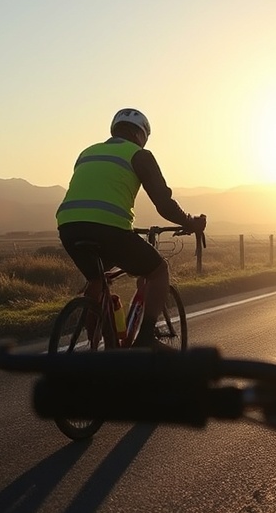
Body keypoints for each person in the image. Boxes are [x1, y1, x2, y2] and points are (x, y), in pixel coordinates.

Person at [56, 108, 207, 348]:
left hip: (69, 226)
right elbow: (164, 204)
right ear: (141, 134)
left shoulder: (88, 152)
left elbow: (98, 190)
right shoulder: (139, 155)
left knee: (97, 279)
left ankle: (100, 343)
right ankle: (146, 337)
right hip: (110, 229)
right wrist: (190, 223)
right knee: (158, 271)